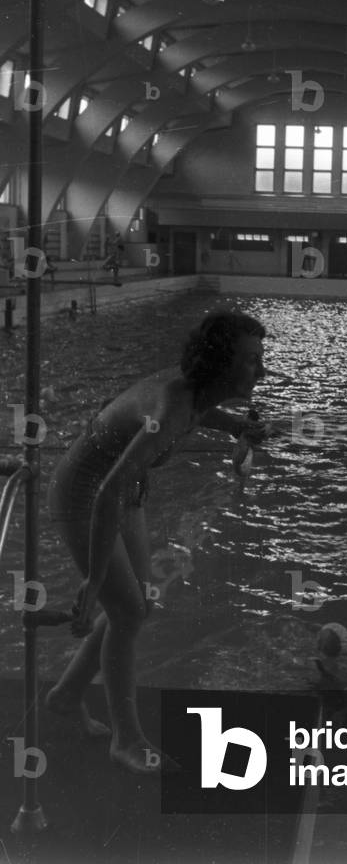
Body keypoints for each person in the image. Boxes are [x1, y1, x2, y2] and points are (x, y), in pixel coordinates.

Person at [46, 311, 269, 774]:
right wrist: (95, 575)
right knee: (126, 610)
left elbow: (201, 414)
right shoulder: (169, 408)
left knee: (135, 606)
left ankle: (67, 696)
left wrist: (238, 429)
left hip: (124, 491)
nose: (261, 371)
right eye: (251, 360)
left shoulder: (194, 396)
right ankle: (126, 740)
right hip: (87, 492)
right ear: (222, 362)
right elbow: (106, 489)